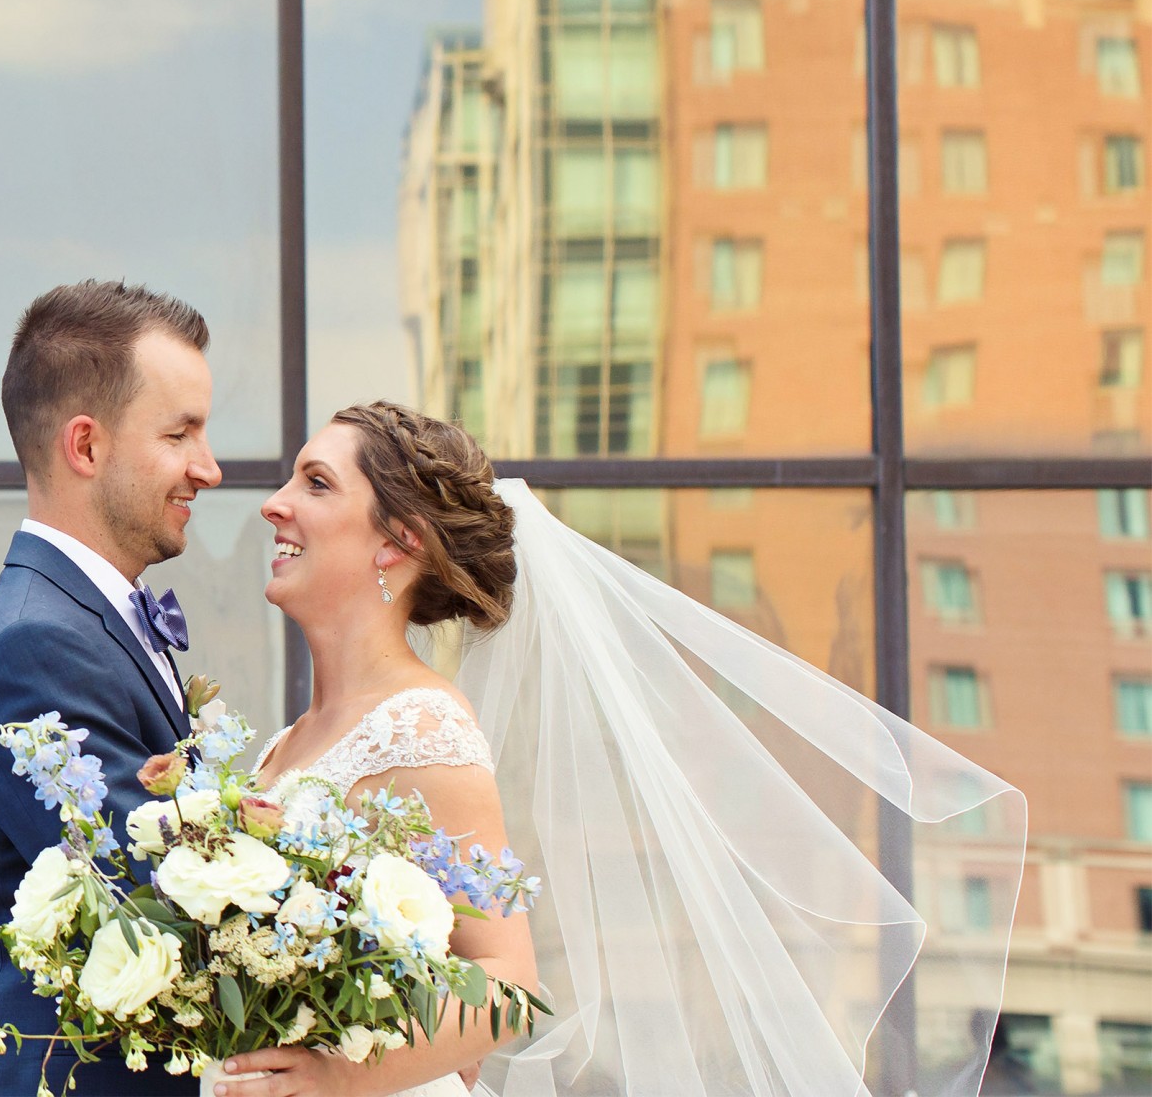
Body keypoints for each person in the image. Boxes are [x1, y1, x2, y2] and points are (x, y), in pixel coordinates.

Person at [214, 403, 1024, 1097]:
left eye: (316, 484)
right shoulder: (292, 740)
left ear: (398, 541)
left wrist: (339, 1077)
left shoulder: (421, 726)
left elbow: (508, 983)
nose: (275, 505)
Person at [0, 280, 221, 1096]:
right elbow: (156, 897)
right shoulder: (33, 646)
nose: (208, 467)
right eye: (180, 433)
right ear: (85, 447)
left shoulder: (80, 623)